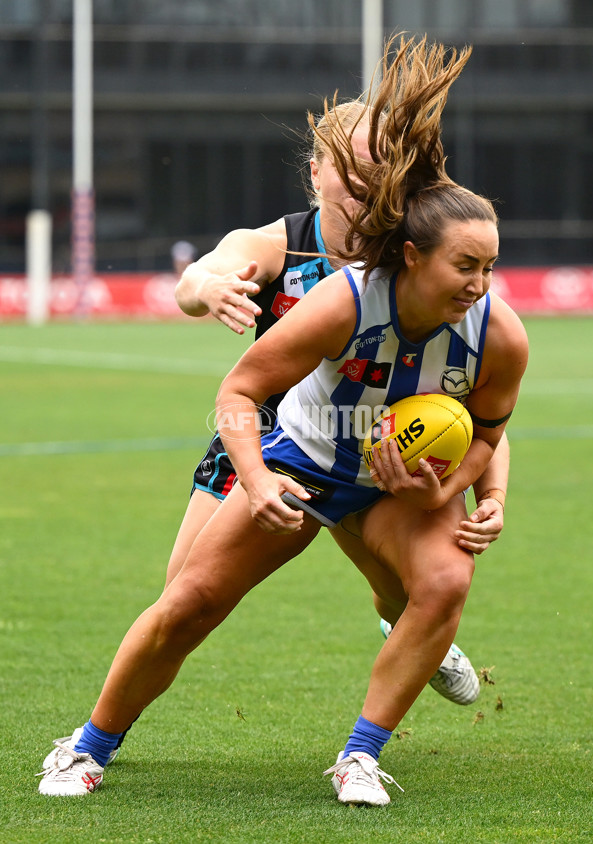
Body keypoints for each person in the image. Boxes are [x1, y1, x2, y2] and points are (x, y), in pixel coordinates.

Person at [37, 35, 527, 805]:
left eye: (380, 165)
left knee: (431, 584)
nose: (366, 178)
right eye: (352, 165)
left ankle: (383, 706)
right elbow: (203, 280)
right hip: (278, 435)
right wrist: (212, 287)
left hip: (392, 441)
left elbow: (484, 419)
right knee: (186, 597)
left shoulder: (438, 260)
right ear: (318, 171)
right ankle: (90, 741)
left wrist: (468, 490)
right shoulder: (289, 246)